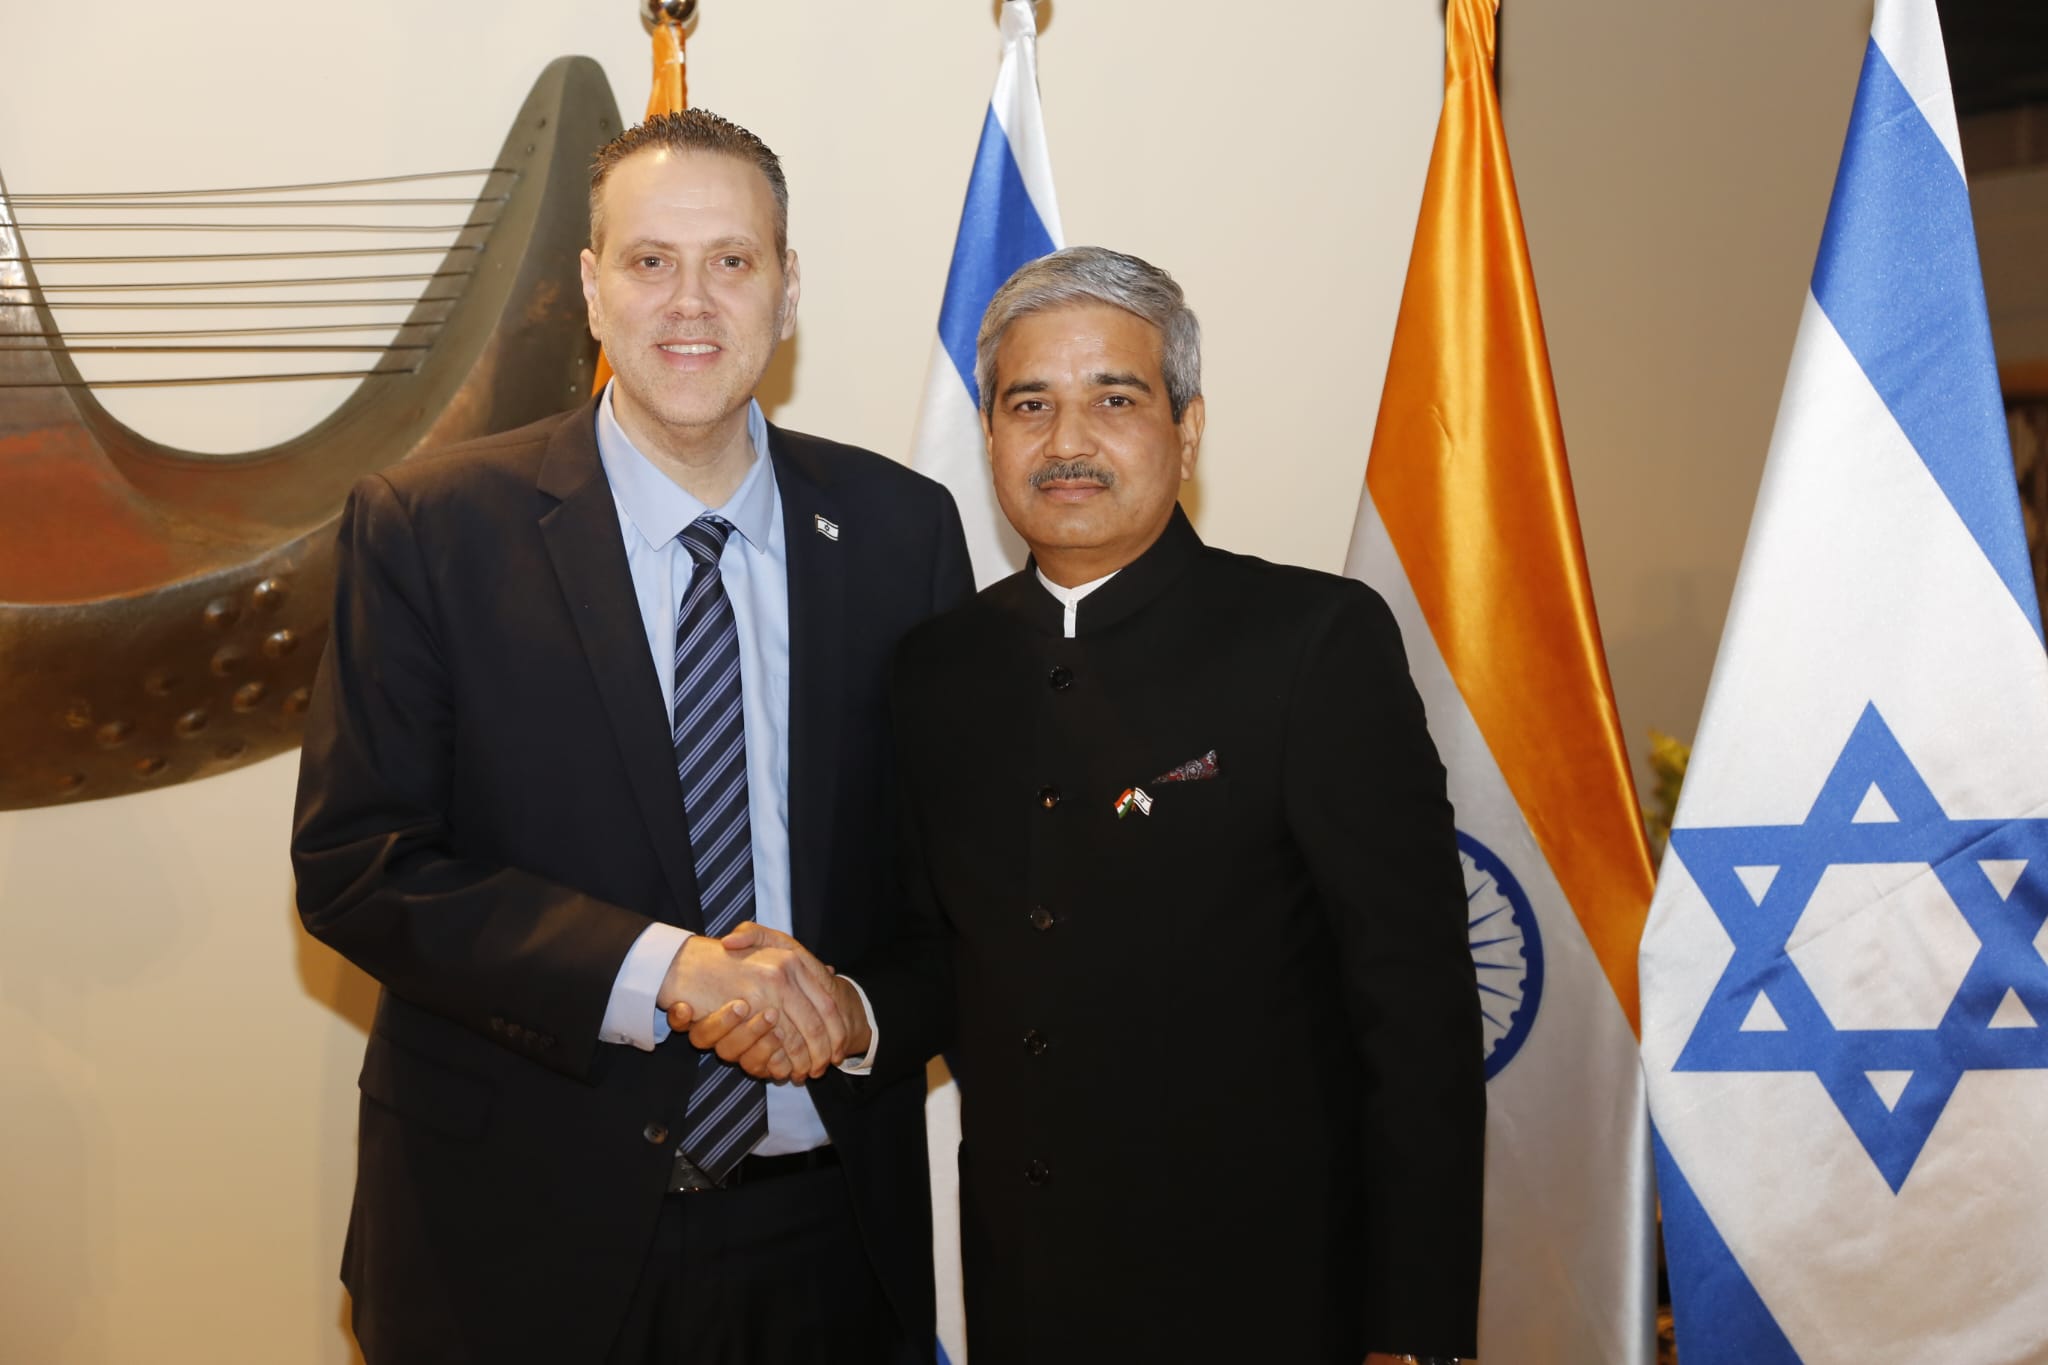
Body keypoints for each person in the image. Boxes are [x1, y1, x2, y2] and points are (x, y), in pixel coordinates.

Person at [684, 246, 1485, 1363]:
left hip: (1274, 1295)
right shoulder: (935, 668)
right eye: (1029, 405)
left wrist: (1415, 1330)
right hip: (1027, 1292)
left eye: (1115, 399)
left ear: (1186, 429)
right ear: (989, 435)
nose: (1067, 441)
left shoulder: (1312, 642)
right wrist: (848, 1010)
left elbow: (1417, 1011)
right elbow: (945, 954)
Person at [291, 109, 971, 1365]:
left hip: (829, 1244)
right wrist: (668, 971)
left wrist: (853, 1010)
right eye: (650, 260)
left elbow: (960, 894)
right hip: (513, 1241)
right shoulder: (431, 530)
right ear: (591, 289)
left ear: (787, 289)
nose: (690, 301)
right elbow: (361, 868)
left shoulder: (901, 530)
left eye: (732, 260)